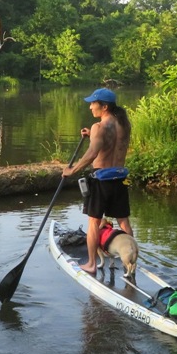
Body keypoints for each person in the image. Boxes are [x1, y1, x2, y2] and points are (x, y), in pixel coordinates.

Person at [63, 87, 132, 276]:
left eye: (93, 103)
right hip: (119, 178)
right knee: (123, 221)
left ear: (105, 106)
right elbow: (109, 143)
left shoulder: (99, 127)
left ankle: (92, 263)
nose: (90, 107)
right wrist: (91, 136)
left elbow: (93, 153)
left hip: (101, 180)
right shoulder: (125, 124)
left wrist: (72, 170)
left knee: (93, 222)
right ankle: (131, 264)